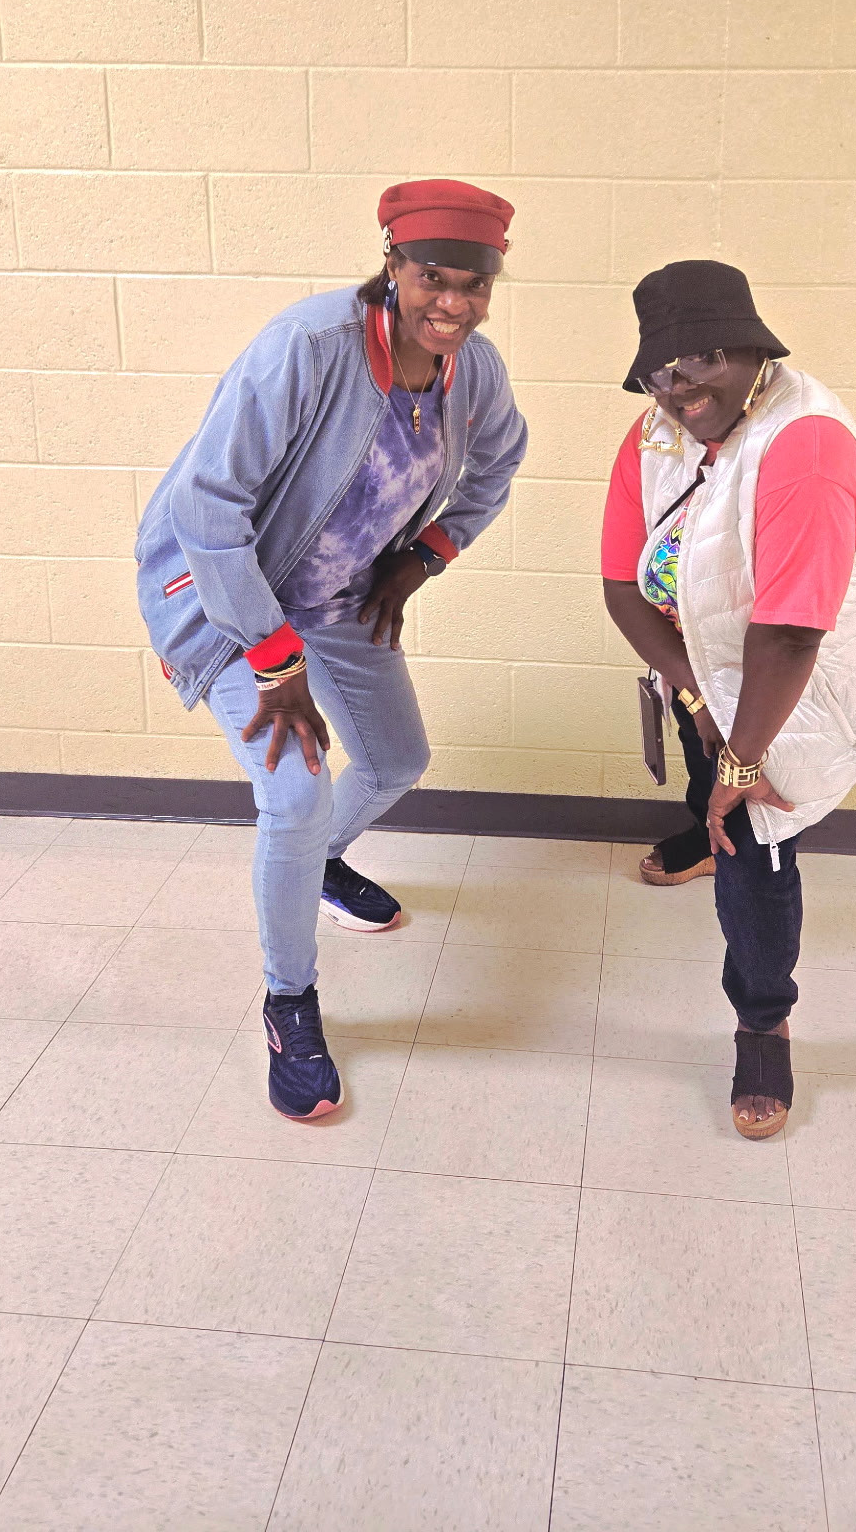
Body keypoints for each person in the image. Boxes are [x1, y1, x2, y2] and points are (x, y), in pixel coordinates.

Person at [138, 180, 527, 1121]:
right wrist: (275, 662)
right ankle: (290, 1002)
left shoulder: (473, 372)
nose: (454, 304)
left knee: (397, 759)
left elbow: (501, 462)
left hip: (339, 593)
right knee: (295, 792)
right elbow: (205, 505)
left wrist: (422, 558)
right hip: (230, 595)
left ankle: (317, 864)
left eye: (475, 285)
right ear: (393, 265)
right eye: (434, 278)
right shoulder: (308, 348)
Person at [601, 261, 856, 1139]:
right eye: (661, 369)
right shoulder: (654, 437)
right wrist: (698, 697)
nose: (680, 386)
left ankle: (763, 1019)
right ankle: (706, 821)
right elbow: (623, 588)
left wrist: (739, 760)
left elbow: (790, 637)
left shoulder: (805, 447)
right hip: (706, 665)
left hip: (798, 690)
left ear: (752, 350)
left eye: (702, 357)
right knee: (708, 779)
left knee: (755, 849)